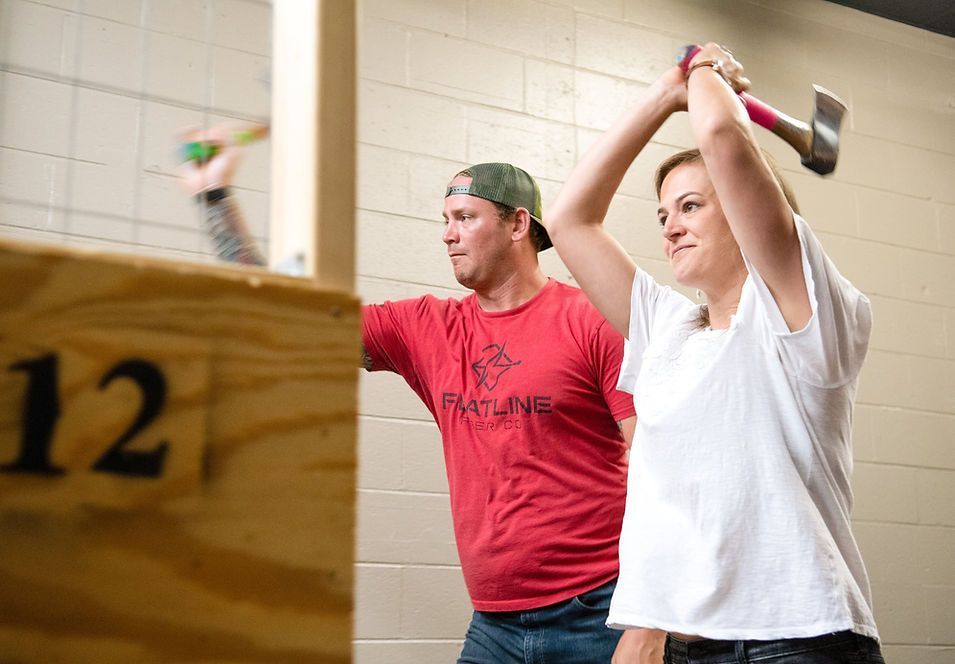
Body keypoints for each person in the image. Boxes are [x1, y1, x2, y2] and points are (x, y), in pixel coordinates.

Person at [179, 132, 659, 662]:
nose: (448, 236)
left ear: (519, 224)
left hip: (600, 611)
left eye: (465, 218)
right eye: (445, 220)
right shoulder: (426, 328)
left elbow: (659, 466)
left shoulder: (591, 318)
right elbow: (287, 321)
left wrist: (650, 620)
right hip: (495, 622)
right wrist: (214, 200)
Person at [543, 43, 884, 664]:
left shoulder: (800, 312)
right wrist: (666, 93)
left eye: (691, 206)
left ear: (748, 211)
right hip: (687, 646)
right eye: (664, 213)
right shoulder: (667, 329)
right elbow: (569, 220)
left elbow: (724, 134)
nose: (669, 226)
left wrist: (704, 70)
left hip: (798, 642)